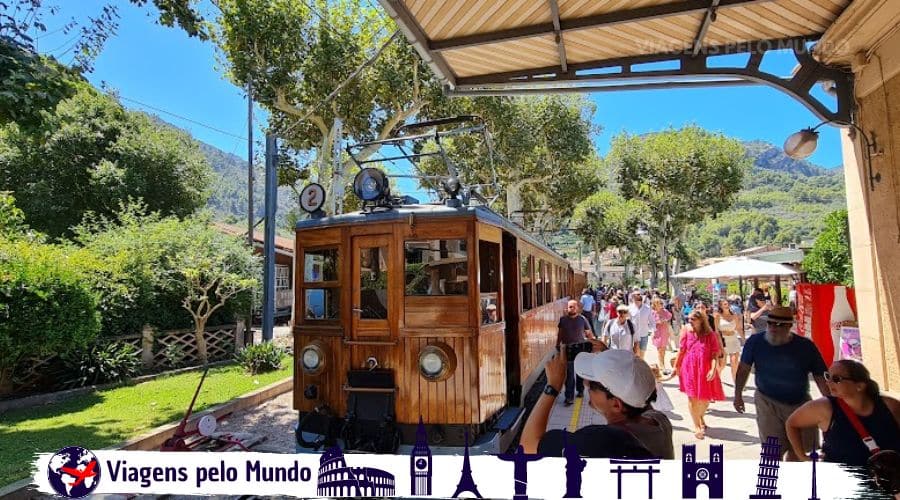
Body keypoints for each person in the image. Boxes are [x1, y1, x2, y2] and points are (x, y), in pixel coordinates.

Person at [520, 348, 674, 459]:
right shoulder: (660, 421)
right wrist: (610, 360)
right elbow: (638, 392)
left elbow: (528, 446)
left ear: (616, 405)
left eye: (592, 385)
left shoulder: (601, 441)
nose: (586, 384)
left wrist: (553, 387)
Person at [734, 306, 830, 461]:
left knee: (801, 451)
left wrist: (832, 402)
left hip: (800, 403)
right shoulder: (755, 342)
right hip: (767, 402)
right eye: (770, 323)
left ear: (789, 326)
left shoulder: (805, 346)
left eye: (779, 325)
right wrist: (737, 395)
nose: (773, 327)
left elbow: (821, 376)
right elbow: (743, 369)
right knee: (772, 451)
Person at [786, 359, 900, 465]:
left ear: (859, 386)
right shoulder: (824, 407)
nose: (828, 383)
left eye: (836, 379)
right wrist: (802, 456)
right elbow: (791, 423)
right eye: (827, 376)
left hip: (886, 481)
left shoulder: (889, 406)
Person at [674, 311, 725, 439]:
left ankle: (700, 416)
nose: (690, 321)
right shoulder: (686, 330)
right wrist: (676, 366)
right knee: (692, 398)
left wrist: (713, 369)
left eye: (693, 319)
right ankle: (696, 426)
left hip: (705, 368)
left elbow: (714, 353)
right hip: (689, 367)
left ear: (701, 320)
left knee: (705, 399)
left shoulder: (710, 334)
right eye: (689, 318)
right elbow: (682, 350)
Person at [557, 299, 595, 406]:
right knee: (569, 374)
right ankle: (569, 397)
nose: (571, 308)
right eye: (569, 307)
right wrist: (557, 344)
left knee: (579, 372)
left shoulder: (583, 319)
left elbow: (589, 334)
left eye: (573, 307)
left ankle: (580, 390)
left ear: (577, 308)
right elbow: (560, 333)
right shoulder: (563, 320)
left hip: (580, 348)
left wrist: (593, 343)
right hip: (568, 349)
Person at [715, 299, 743, 384]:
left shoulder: (734, 315)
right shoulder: (718, 316)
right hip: (723, 341)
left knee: (734, 362)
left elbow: (738, 328)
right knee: (722, 364)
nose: (727, 305)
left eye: (727, 304)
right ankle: (717, 380)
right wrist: (719, 342)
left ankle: (736, 382)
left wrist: (744, 339)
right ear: (721, 306)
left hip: (733, 339)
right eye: (725, 304)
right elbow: (716, 331)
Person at [629, 292, 655, 358]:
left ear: (641, 302)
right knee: (635, 352)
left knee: (642, 351)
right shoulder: (630, 308)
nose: (636, 304)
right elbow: (628, 321)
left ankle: (641, 365)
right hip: (634, 334)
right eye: (635, 302)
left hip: (644, 333)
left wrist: (652, 330)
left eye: (638, 302)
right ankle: (636, 366)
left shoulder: (647, 308)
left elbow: (652, 320)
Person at [650, 298, 672, 375]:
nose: (660, 304)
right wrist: (658, 322)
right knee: (660, 350)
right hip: (657, 333)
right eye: (658, 303)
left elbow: (670, 316)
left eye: (660, 303)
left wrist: (665, 320)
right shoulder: (652, 313)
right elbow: (650, 322)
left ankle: (662, 365)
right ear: (655, 304)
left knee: (663, 350)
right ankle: (662, 367)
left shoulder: (665, 311)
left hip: (664, 332)